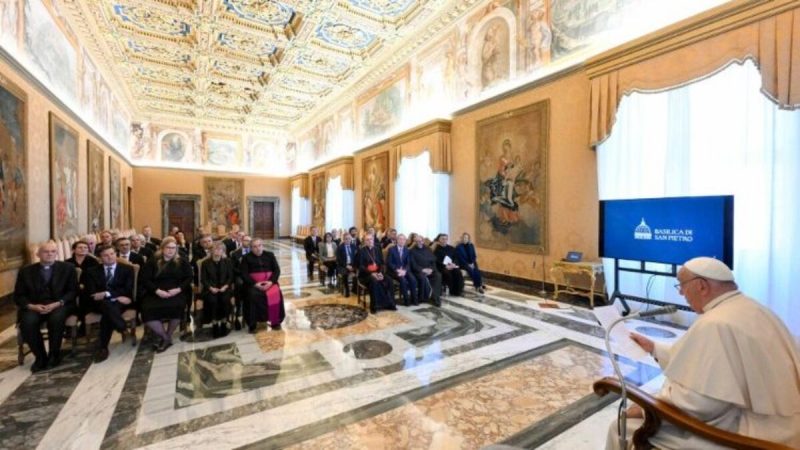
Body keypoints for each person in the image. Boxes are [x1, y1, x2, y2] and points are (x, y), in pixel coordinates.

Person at [607, 257, 800, 449]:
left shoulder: (715, 323)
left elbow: (699, 406)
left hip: (747, 433)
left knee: (622, 426)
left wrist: (645, 409)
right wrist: (654, 348)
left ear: (701, 286)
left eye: (681, 285)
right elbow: (702, 362)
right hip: (784, 426)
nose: (681, 292)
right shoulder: (753, 308)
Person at [14, 241, 78, 372]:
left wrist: (58, 303)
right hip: (35, 305)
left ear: (56, 253)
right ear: (38, 254)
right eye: (46, 252)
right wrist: (32, 306)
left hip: (59, 304)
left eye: (53, 252)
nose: (49, 254)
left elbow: (73, 291)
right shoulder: (26, 272)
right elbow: (19, 295)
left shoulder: (68, 268)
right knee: (27, 322)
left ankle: (54, 355)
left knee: (56, 319)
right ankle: (40, 357)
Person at [81, 245, 134, 363]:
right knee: (107, 306)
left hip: (120, 302)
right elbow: (92, 293)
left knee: (108, 313)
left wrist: (106, 293)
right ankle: (122, 327)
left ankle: (103, 347)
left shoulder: (127, 269)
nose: (109, 257)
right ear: (100, 258)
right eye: (105, 255)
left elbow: (127, 289)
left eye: (112, 254)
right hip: (98, 304)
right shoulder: (91, 271)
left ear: (116, 254)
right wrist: (112, 295)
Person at [139, 237, 193, 352]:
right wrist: (157, 291)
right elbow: (145, 279)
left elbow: (189, 277)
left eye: (173, 248)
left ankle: (167, 335)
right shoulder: (153, 261)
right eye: (168, 248)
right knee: (147, 309)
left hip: (176, 291)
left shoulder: (181, 261)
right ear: (162, 248)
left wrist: (178, 289)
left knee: (178, 306)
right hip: (156, 292)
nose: (171, 250)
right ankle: (165, 337)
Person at [240, 238, 284, 332]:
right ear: (251, 248)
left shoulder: (270, 255)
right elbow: (244, 274)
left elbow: (277, 270)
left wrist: (271, 281)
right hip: (253, 284)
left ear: (263, 246)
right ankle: (252, 324)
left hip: (270, 282)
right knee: (253, 295)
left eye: (259, 245)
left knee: (275, 293)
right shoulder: (246, 258)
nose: (258, 248)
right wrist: (255, 284)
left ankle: (275, 322)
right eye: (255, 247)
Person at [200, 242, 233, 338]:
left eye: (220, 249)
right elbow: (203, 279)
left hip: (224, 288)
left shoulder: (227, 262)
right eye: (215, 249)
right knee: (212, 300)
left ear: (223, 251)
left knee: (224, 299)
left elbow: (230, 277)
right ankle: (214, 323)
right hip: (210, 289)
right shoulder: (205, 263)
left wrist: (225, 286)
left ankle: (223, 322)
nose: (217, 251)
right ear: (211, 251)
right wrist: (211, 288)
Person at [358, 234, 395, 313]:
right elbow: (361, 267)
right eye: (367, 240)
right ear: (364, 241)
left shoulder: (377, 249)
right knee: (374, 281)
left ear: (373, 240)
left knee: (389, 280)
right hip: (365, 275)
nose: (369, 241)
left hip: (378, 272)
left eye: (371, 239)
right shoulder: (361, 251)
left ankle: (390, 304)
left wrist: (381, 273)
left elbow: (381, 263)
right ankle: (375, 306)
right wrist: (371, 274)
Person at [409, 234, 442, 306]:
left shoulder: (428, 249)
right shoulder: (412, 251)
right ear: (415, 242)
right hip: (419, 271)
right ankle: (423, 297)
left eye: (421, 241)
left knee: (438, 275)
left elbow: (433, 261)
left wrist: (431, 269)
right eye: (417, 241)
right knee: (422, 277)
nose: (419, 242)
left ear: (423, 241)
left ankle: (435, 297)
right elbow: (413, 265)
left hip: (430, 269)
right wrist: (422, 270)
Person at [387, 234, 418, 306]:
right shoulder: (391, 249)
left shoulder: (407, 250)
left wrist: (404, 270)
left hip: (404, 270)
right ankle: (406, 300)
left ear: (405, 241)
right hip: (394, 271)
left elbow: (408, 263)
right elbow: (389, 263)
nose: (402, 241)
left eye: (403, 239)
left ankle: (414, 299)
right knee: (402, 280)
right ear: (397, 240)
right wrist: (397, 270)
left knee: (413, 279)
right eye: (400, 239)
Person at [229, 235, 251, 330]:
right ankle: (239, 308)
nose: (248, 243)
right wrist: (243, 273)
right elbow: (233, 268)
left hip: (252, 275)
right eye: (246, 240)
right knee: (239, 283)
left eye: (250, 241)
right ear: (242, 241)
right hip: (240, 275)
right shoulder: (235, 254)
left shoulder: (254, 252)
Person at [336, 233, 358, 297]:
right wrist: (346, 265)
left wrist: (353, 266)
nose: (348, 240)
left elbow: (356, 257)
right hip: (342, 265)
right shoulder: (340, 248)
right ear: (343, 239)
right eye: (346, 239)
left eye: (349, 239)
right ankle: (347, 290)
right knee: (345, 273)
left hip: (352, 265)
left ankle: (354, 289)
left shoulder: (353, 246)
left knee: (358, 272)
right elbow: (339, 259)